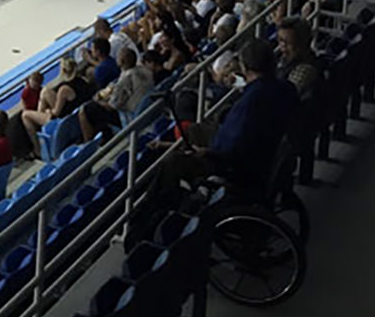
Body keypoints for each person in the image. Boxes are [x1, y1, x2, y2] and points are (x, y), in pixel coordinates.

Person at [156, 38, 299, 197]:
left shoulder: (251, 101)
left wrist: (206, 152)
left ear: (244, 67)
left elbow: (231, 147)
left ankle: (162, 211)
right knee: (191, 130)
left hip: (236, 167)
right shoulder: (285, 88)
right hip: (260, 152)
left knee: (172, 162)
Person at [79, 47, 153, 142]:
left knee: (88, 109)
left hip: (132, 115)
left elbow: (112, 106)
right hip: (145, 106)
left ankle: (93, 140)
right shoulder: (145, 70)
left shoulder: (125, 80)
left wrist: (99, 101)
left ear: (121, 61)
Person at [276, 18, 321, 101]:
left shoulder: (306, 69)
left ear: (302, 42)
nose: (282, 45)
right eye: (280, 40)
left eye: (288, 42)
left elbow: (282, 98)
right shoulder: (281, 58)